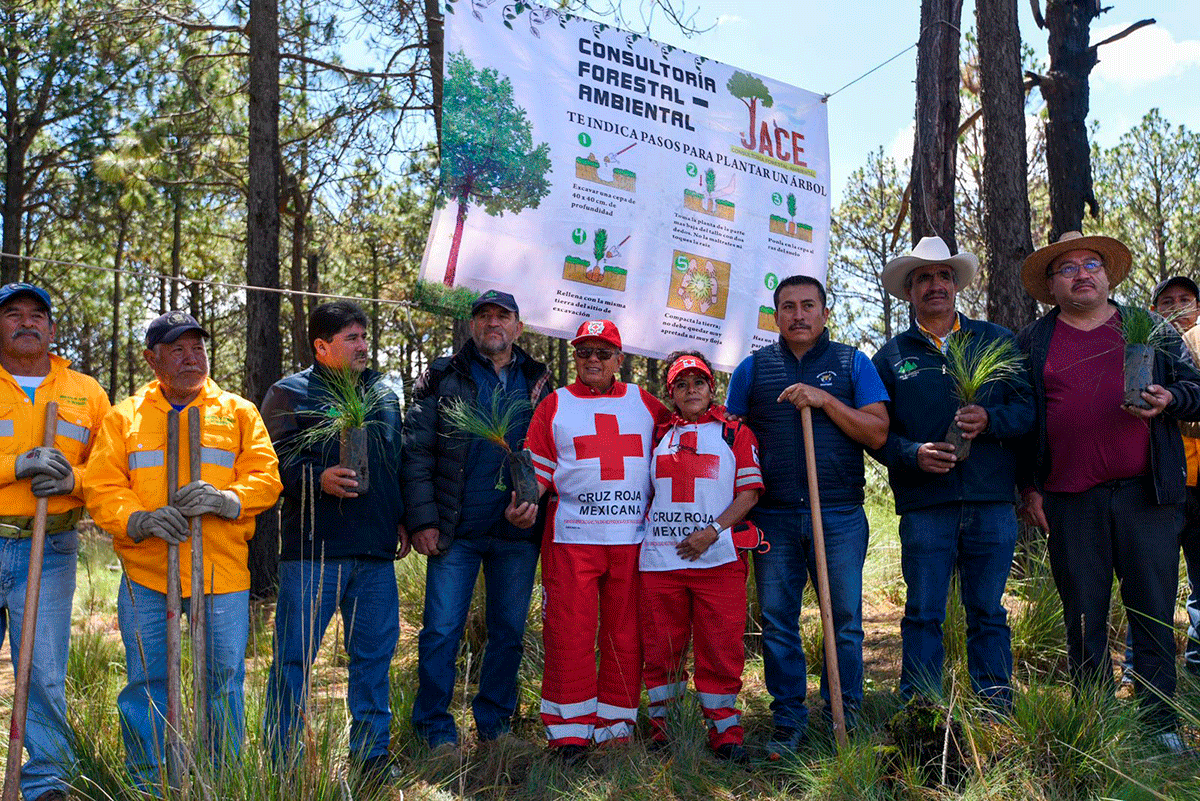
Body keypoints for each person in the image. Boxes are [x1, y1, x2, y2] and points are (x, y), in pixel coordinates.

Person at [1015, 231, 1200, 751]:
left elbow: (1197, 392)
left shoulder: (1151, 330)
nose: (1081, 273)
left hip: (1148, 496)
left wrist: (1172, 398)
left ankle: (1159, 725)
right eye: (1067, 267)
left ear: (1107, 274)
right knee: (1082, 615)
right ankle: (1095, 724)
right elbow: (1025, 424)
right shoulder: (1031, 342)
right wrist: (1029, 488)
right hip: (1069, 501)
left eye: (1091, 262)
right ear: (1051, 286)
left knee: (1153, 609)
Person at [84, 311, 281, 786]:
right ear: (153, 360)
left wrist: (226, 499)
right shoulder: (124, 417)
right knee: (147, 684)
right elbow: (103, 485)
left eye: (198, 348)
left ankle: (222, 780)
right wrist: (141, 519)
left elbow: (266, 478)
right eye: (178, 350)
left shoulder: (237, 411)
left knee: (221, 685)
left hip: (221, 573)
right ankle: (149, 781)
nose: (192, 358)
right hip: (148, 576)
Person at [725, 275, 889, 756]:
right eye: (789, 306)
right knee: (778, 621)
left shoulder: (851, 362)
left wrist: (825, 400)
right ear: (775, 315)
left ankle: (846, 715)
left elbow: (877, 433)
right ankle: (789, 721)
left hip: (837, 514)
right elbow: (733, 441)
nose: (799, 314)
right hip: (772, 517)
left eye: (808, 306)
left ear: (824, 312)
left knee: (845, 621)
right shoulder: (753, 370)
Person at [872, 237, 1034, 709]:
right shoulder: (891, 357)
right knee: (924, 612)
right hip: (927, 505)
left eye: (943, 275)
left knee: (988, 611)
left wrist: (990, 420)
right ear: (909, 292)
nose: (935, 284)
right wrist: (912, 454)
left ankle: (994, 711)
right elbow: (878, 433)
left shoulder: (995, 340)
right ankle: (921, 714)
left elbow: (1027, 411)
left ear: (956, 284)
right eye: (923, 277)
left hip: (990, 501)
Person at [506, 319, 668, 763]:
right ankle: (569, 729)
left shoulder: (645, 403)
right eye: (584, 352)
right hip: (572, 538)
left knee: (625, 631)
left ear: (620, 359)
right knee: (568, 631)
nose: (592, 360)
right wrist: (526, 504)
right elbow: (539, 469)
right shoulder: (554, 405)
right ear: (575, 357)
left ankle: (616, 724)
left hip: (632, 539)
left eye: (602, 352)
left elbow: (683, 436)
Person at [261, 301, 407, 786]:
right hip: (312, 551)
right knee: (294, 658)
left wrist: (402, 520)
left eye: (364, 336)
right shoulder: (290, 393)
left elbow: (396, 463)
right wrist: (315, 478)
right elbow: (269, 467)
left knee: (373, 657)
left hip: (376, 552)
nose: (364, 345)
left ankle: (370, 756)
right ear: (321, 347)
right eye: (351, 338)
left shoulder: (383, 392)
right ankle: (282, 761)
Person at [403, 289, 552, 750]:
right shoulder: (444, 375)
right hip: (456, 530)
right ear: (472, 326)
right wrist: (423, 519)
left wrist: (535, 506)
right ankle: (434, 729)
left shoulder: (538, 380)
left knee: (508, 631)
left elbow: (551, 452)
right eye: (484, 315)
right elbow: (416, 452)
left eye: (502, 316)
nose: (493, 323)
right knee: (442, 630)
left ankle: (495, 725)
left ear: (518, 327)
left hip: (517, 532)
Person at [0, 283, 109, 801]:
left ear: (52, 328)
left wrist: (73, 483)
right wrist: (14, 467)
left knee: (43, 671)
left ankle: (47, 783)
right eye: (13, 314)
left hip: (52, 551)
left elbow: (110, 470)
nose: (26, 322)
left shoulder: (85, 392)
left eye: (37, 315)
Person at [639, 351, 763, 764]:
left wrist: (711, 532)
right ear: (670, 392)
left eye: (699, 382)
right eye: (681, 384)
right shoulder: (658, 435)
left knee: (721, 647)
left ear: (712, 388)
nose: (691, 391)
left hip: (719, 560)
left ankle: (725, 731)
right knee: (661, 649)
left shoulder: (734, 431)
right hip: (661, 562)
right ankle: (664, 727)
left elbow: (748, 492)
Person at [1150, 276, 1200, 676]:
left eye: (1187, 300)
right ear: (1154, 313)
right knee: (1152, 587)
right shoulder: (1146, 352)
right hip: (1162, 487)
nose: (1178, 307)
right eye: (1168, 302)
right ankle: (1143, 670)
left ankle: (1196, 668)